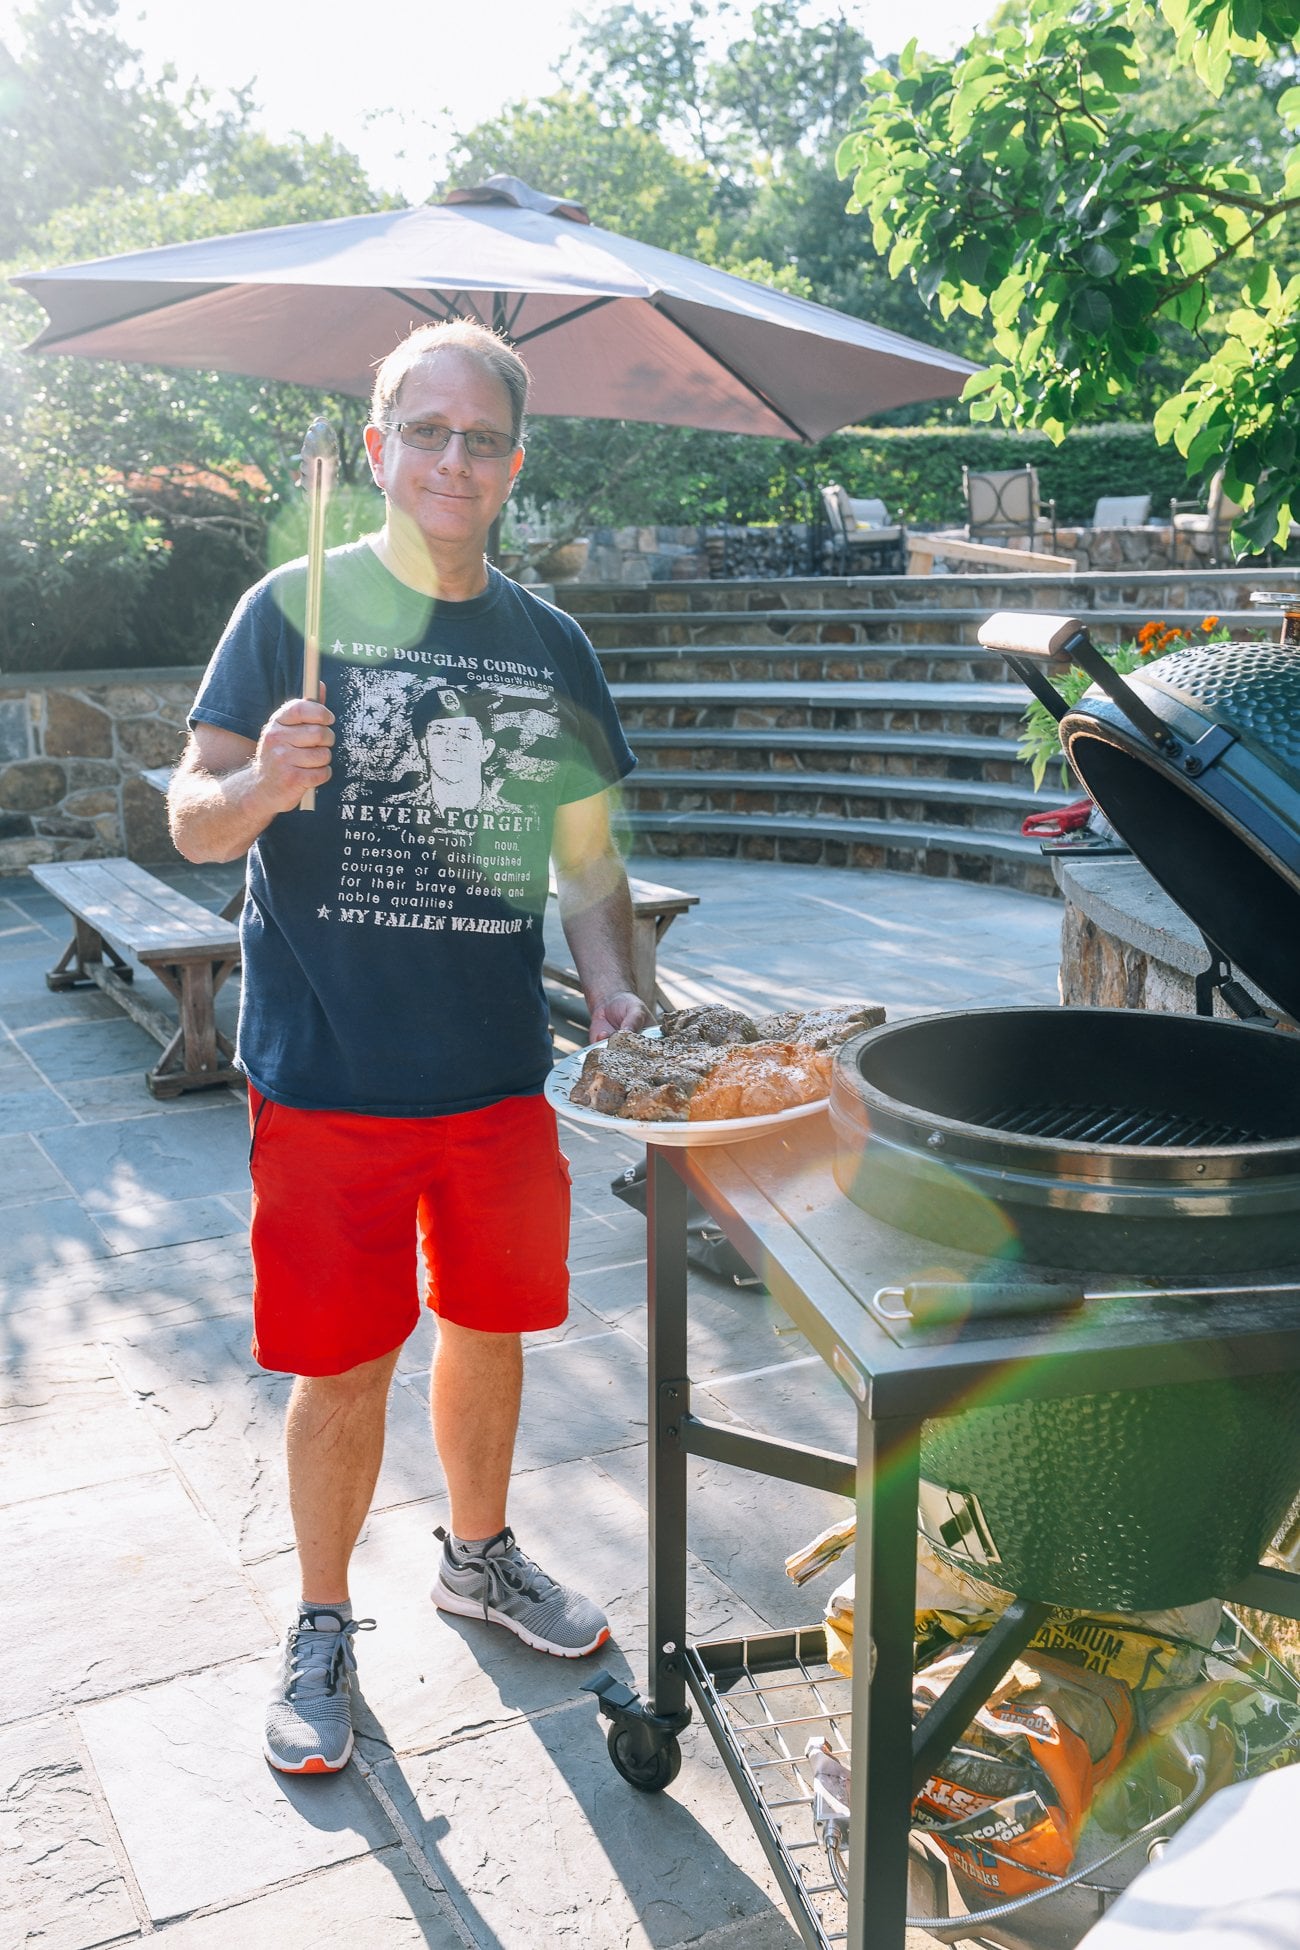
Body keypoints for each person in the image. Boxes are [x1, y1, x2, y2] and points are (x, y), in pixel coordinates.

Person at [168, 319, 653, 1776]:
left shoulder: (548, 643)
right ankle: (321, 1623)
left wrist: (614, 983)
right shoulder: (288, 608)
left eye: (481, 437)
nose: (453, 458)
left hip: (495, 1066)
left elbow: (586, 856)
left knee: (492, 1327)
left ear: (515, 462)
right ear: (378, 449)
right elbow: (189, 820)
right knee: (343, 1359)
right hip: (329, 1068)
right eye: (424, 432)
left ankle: (479, 1552)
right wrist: (261, 777)